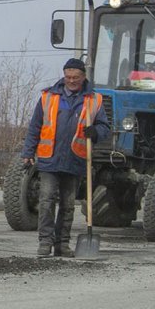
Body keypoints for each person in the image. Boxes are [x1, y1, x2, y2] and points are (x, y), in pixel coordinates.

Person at [19, 58, 109, 257]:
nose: (71, 81)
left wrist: (95, 132)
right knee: (46, 201)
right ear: (64, 75)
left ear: (83, 77)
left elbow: (105, 128)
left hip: (75, 160)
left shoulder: (94, 100)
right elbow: (35, 127)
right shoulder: (48, 97)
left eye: (75, 77)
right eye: (68, 77)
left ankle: (62, 244)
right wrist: (28, 153)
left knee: (68, 205)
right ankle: (45, 243)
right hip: (49, 160)